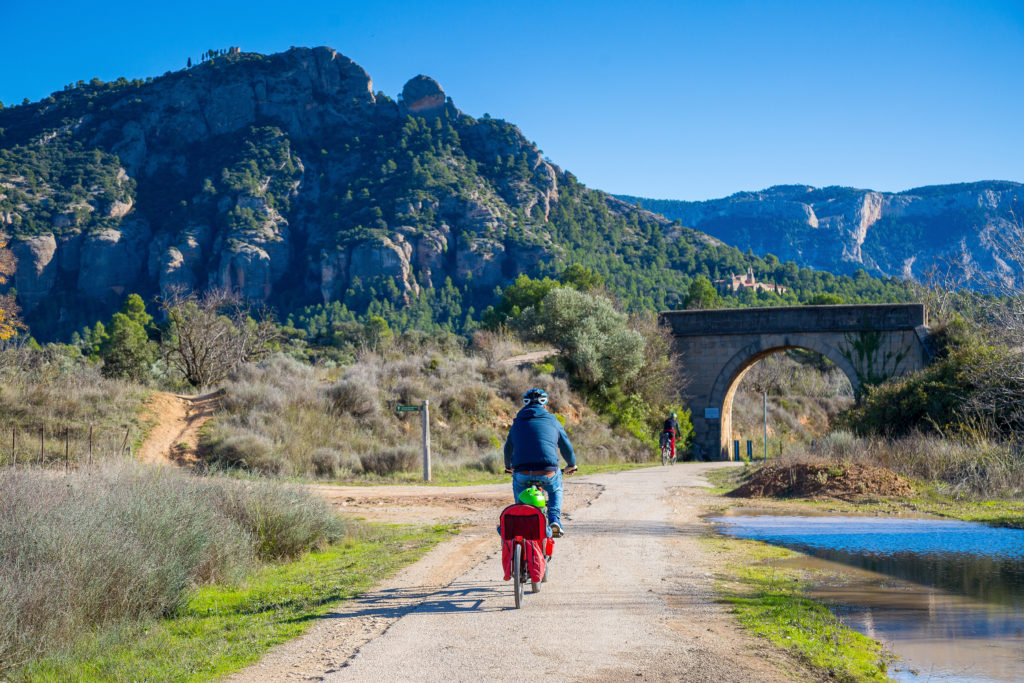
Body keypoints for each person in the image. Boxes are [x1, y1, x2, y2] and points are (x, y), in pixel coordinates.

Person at [503, 388, 577, 537]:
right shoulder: (553, 421)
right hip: (547, 471)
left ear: (525, 405)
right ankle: (555, 519)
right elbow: (566, 446)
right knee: (556, 490)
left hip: (522, 472)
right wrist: (571, 464)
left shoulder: (517, 423)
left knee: (521, 500)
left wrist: (508, 466)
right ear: (544, 405)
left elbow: (508, 448)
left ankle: (520, 517)